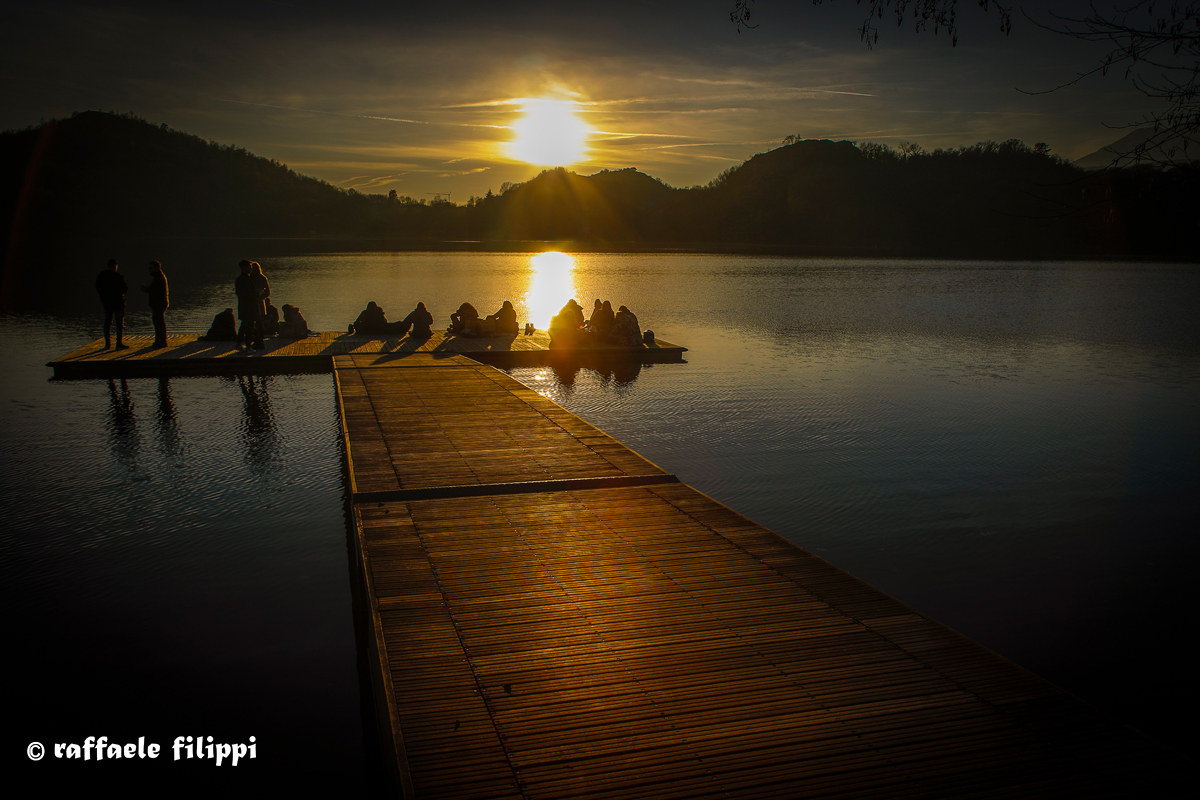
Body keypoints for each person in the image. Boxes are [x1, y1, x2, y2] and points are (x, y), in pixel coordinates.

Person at [95, 258, 128, 349]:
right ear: (115, 266)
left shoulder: (101, 276)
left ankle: (107, 344)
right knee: (119, 324)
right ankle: (119, 344)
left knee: (107, 323)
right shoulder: (118, 276)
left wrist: (103, 298)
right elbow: (125, 289)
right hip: (118, 303)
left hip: (107, 303)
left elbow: (98, 288)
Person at [235, 260, 265, 349]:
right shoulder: (242, 280)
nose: (251, 269)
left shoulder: (247, 278)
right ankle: (248, 346)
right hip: (248, 308)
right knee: (249, 328)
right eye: (249, 267)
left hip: (249, 307)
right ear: (244, 268)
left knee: (245, 326)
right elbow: (244, 294)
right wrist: (258, 293)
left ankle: (240, 343)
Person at [141, 260, 169, 348]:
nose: (149, 270)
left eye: (151, 268)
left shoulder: (159, 277)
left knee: (159, 322)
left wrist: (146, 289)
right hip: (159, 303)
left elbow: (155, 291)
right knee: (158, 322)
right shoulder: (158, 277)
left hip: (159, 303)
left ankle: (161, 341)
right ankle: (160, 340)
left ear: (156, 268)